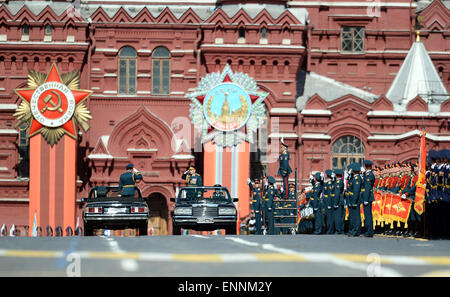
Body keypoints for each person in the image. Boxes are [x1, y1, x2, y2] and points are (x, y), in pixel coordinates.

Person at [362, 160, 375, 237]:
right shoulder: (367, 174)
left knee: (368, 215)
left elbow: (367, 188)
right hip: (366, 196)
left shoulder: (369, 175)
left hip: (368, 197)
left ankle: (369, 232)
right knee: (367, 215)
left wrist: (366, 199)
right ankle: (368, 231)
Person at [333, 169, 345, 234]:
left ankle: (338, 230)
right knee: (341, 216)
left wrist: (335, 203)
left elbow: (337, 193)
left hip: (338, 201)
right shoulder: (340, 182)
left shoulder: (338, 182)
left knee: (338, 216)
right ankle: (341, 229)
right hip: (340, 200)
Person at [323, 170, 335, 234]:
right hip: (326, 202)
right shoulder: (327, 183)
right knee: (328, 217)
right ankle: (329, 229)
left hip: (329, 202)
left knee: (329, 218)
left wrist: (329, 204)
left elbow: (330, 194)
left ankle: (330, 230)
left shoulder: (330, 183)